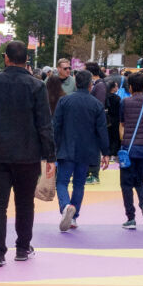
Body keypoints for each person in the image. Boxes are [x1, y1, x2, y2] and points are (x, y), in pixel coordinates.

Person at [0, 40, 54, 267]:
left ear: (5, 58)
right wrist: (50, 156)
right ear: (27, 59)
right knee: (25, 202)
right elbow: (44, 124)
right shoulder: (37, 86)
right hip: (28, 153)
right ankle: (22, 248)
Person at [52, 68, 108, 231]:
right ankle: (74, 216)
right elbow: (102, 130)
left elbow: (56, 125)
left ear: (76, 83)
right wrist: (105, 152)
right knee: (79, 184)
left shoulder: (64, 101)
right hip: (86, 150)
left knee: (62, 182)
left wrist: (52, 148)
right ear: (91, 85)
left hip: (66, 148)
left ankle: (65, 206)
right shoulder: (97, 105)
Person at [118, 72, 143, 230]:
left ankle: (131, 218)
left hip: (129, 148)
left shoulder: (125, 102)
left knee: (126, 183)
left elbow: (122, 123)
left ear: (131, 87)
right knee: (139, 181)